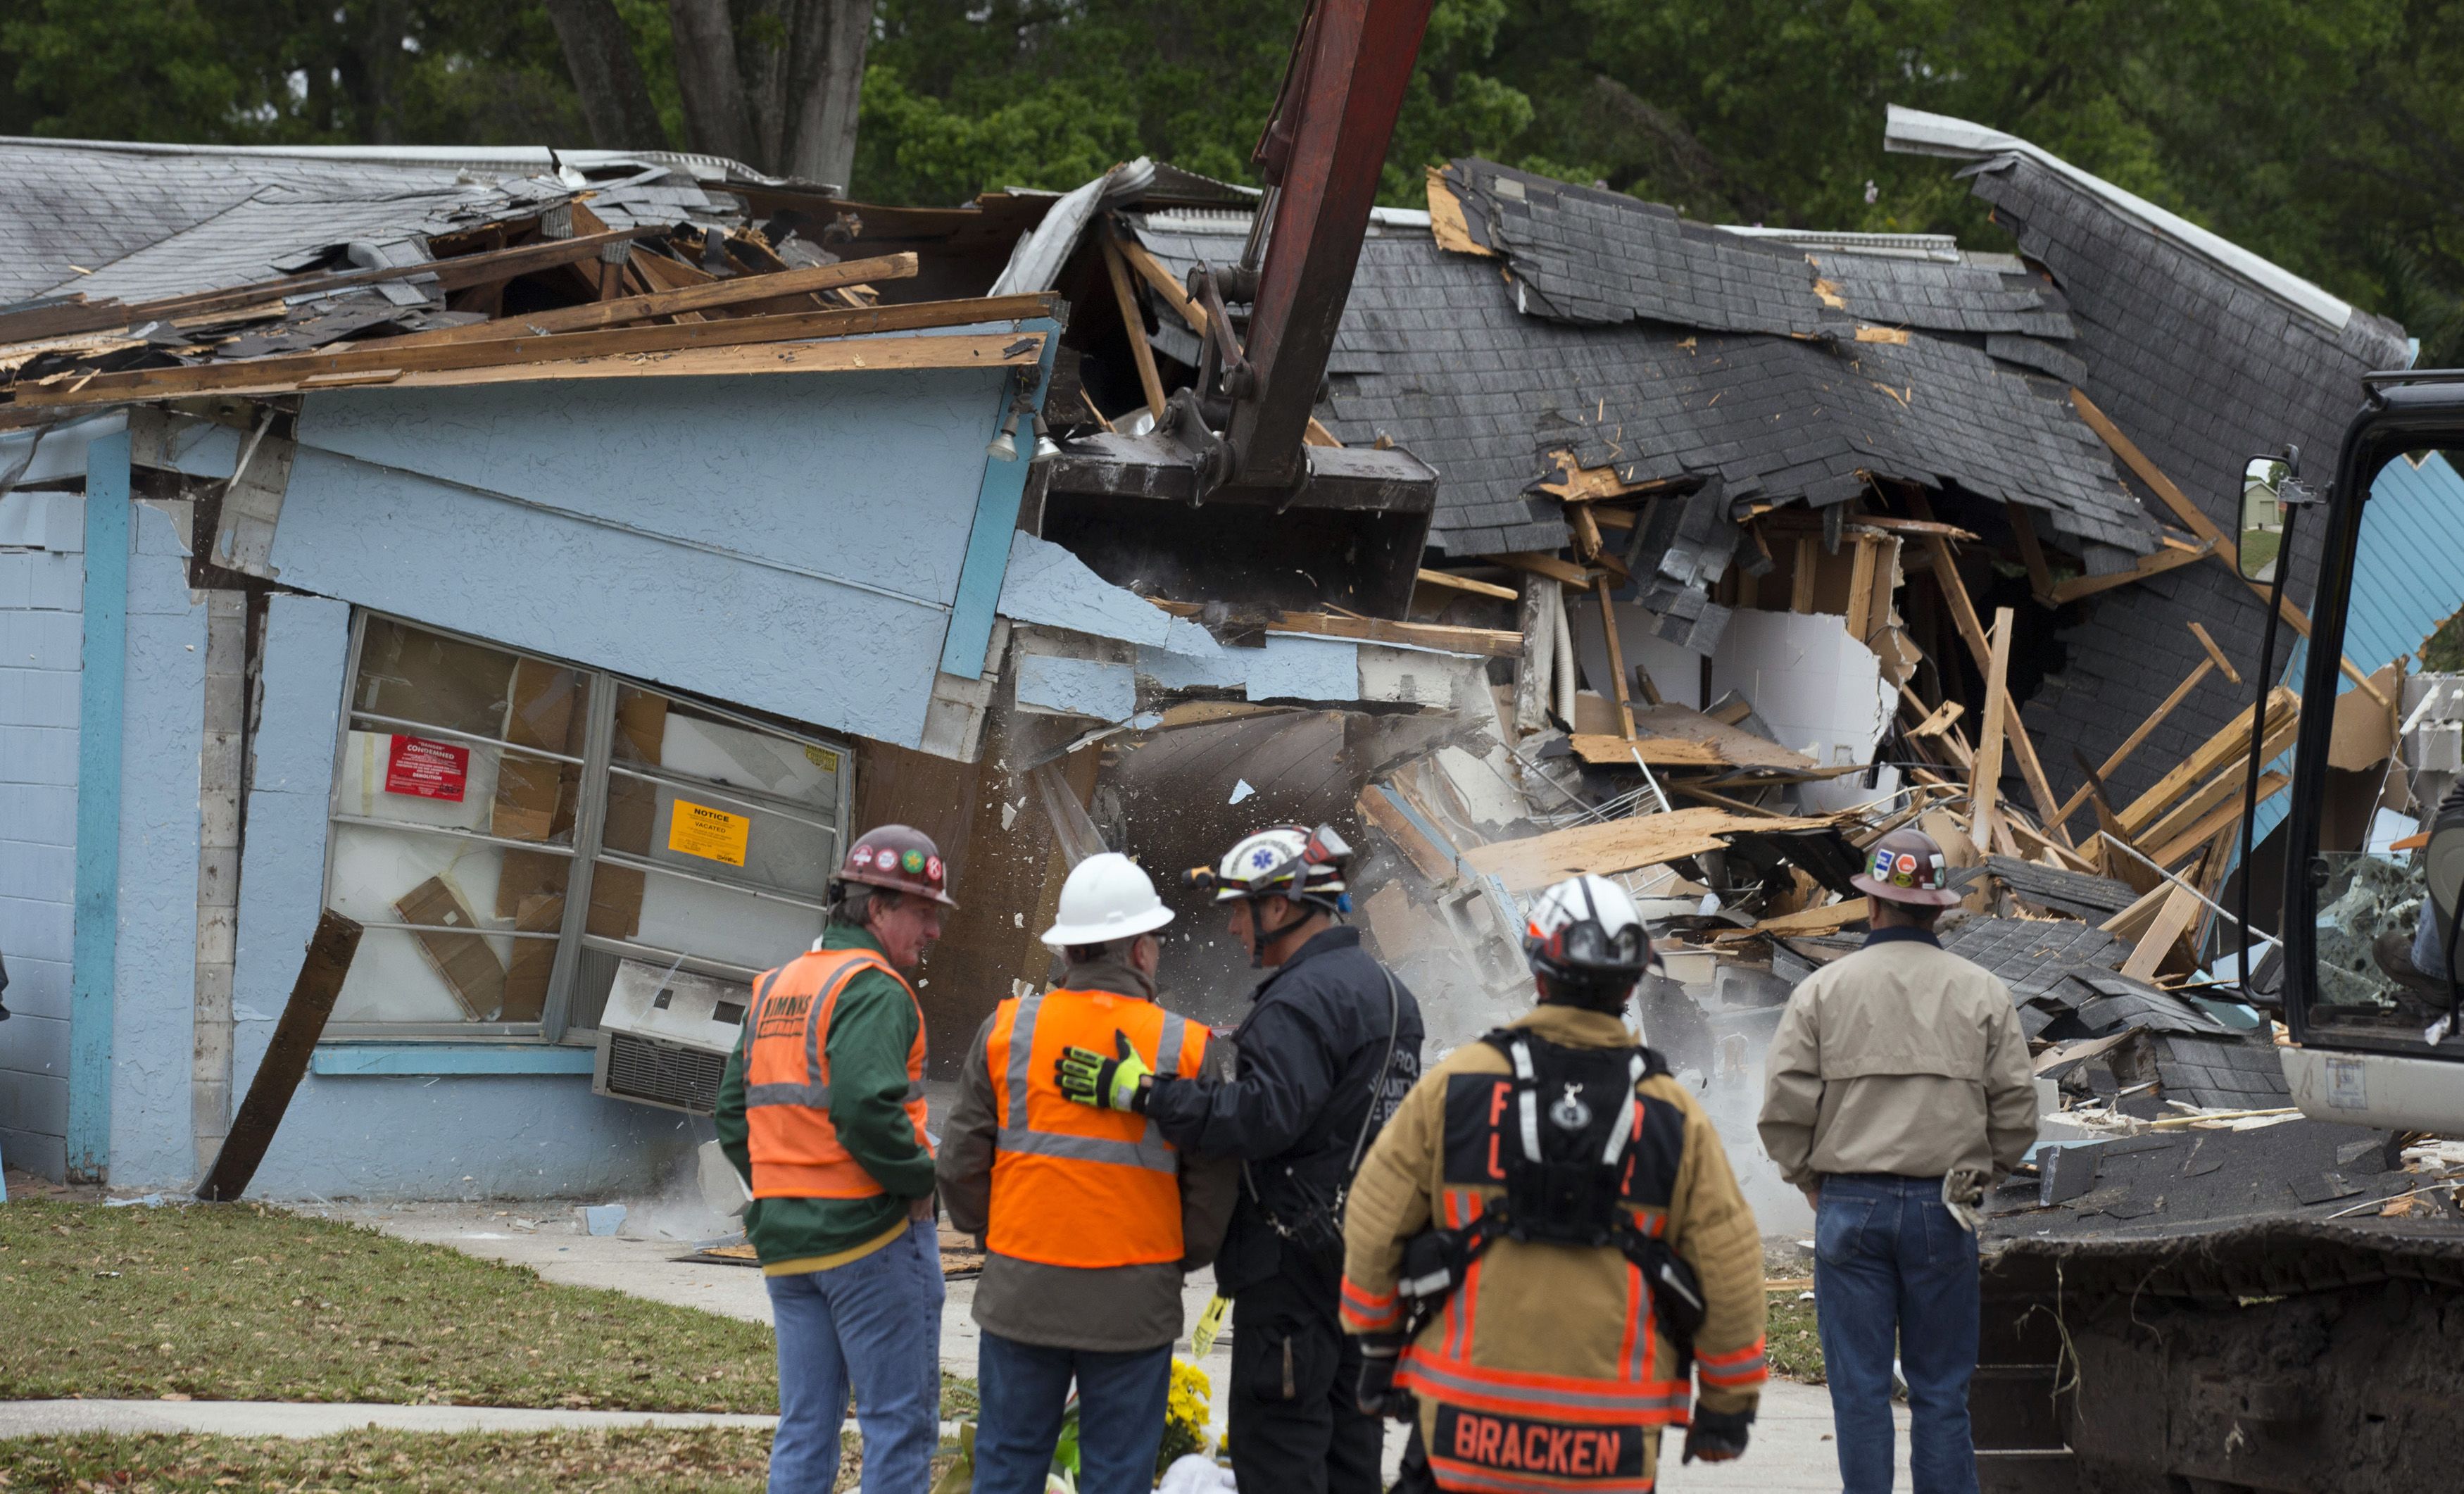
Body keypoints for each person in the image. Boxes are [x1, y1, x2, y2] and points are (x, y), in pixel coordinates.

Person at [1340, 873, 1769, 1494]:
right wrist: (1728, 1410)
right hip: (1610, 1447)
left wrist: (1379, 1354)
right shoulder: (1673, 1117)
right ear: (1631, 983)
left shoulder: (1455, 1087)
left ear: (1538, 971)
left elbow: (1373, 1232)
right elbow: (1730, 1276)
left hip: (1463, 1434)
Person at [1055, 823, 1421, 1494]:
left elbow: (1260, 1120)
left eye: (1237, 909)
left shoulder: (1300, 1002)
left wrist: (1140, 1090)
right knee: (1350, 1457)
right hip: (1365, 1271)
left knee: (1279, 1454)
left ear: (1278, 907)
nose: (1232, 929)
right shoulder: (1392, 995)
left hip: (1290, 1282)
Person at [938, 853, 1240, 1494]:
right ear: (1139, 951)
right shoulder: (1186, 1047)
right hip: (1133, 1306)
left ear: (1069, 952)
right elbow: (1213, 1186)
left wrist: (998, 1235)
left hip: (1022, 1294)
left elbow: (960, 1161)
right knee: (1117, 1476)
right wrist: (1174, 1260)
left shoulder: (1009, 1030)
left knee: (1007, 1470)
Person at [1757, 828, 2039, 1494]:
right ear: (1938, 908)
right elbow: (2018, 1114)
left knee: (1858, 1394)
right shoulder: (1983, 991)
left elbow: (1782, 1110)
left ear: (1872, 906)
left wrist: (1811, 1183)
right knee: (1942, 1392)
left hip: (1849, 1204)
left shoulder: (1822, 992)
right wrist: (1975, 1185)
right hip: (1948, 1205)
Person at [715, 825, 955, 1494]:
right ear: (875, 908)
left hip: (788, 1247)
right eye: (923, 911)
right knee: (898, 1428)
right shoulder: (876, 991)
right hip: (870, 1240)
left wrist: (783, 1183)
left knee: (805, 1427)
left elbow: (733, 1115)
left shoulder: (776, 986)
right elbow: (864, 1110)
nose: (933, 930)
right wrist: (920, 1182)